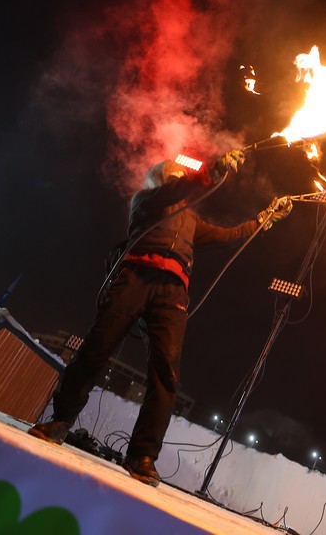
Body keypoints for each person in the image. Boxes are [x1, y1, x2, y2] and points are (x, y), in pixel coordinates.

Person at [28, 149, 292, 486]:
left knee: (167, 371)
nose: (178, 177)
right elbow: (176, 192)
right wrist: (208, 173)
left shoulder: (191, 221)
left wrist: (264, 217)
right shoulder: (146, 201)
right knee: (98, 347)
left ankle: (142, 455)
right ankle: (60, 420)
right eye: (172, 175)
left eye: (181, 176)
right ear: (158, 180)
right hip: (136, 276)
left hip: (173, 291)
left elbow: (229, 236)